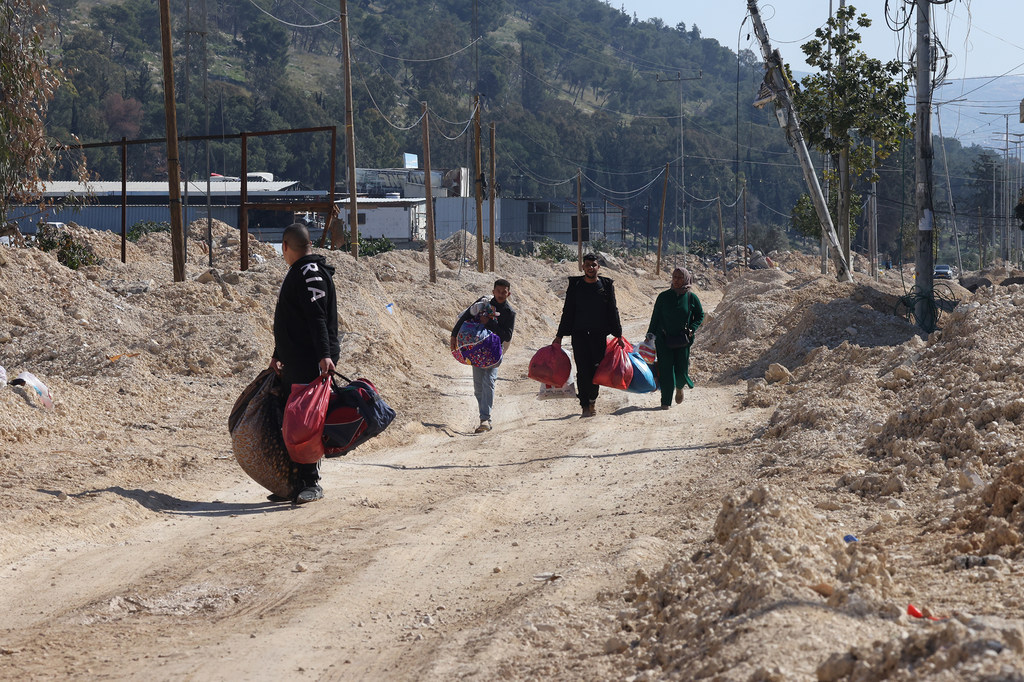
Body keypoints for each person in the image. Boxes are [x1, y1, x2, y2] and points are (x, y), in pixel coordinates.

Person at [268, 223, 340, 503]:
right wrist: (278, 353)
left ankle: (311, 482)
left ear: (286, 246)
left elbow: (316, 318)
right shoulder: (303, 271)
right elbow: (292, 320)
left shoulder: (310, 274)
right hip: (296, 359)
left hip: (311, 360)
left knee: (305, 423)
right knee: (293, 421)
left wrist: (324, 355)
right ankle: (296, 483)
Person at [553, 253, 623, 418]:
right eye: (587, 265)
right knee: (583, 370)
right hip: (580, 335)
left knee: (597, 369)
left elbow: (612, 310)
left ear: (598, 267)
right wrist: (560, 335)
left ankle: (592, 399)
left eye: (594, 265)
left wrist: (618, 334)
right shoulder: (576, 286)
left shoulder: (606, 286)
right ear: (582, 267)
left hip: (599, 335)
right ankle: (585, 404)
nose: (591, 268)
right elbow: (568, 311)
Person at [450, 279, 516, 433]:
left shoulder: (509, 313)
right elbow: (465, 318)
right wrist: (454, 337)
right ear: (493, 291)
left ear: (509, 293)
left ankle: (485, 419)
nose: (500, 294)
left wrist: (490, 324)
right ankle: (485, 417)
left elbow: (507, 335)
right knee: (478, 387)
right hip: (477, 349)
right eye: (498, 291)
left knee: (489, 381)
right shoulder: (482, 304)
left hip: (494, 351)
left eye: (504, 292)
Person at [646, 267, 704, 409]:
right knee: (666, 370)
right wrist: (650, 334)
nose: (677, 280)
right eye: (674, 277)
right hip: (663, 339)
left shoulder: (691, 297)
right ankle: (665, 402)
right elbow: (656, 317)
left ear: (686, 279)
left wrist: (692, 328)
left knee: (681, 370)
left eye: (680, 277)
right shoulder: (663, 296)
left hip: (683, 340)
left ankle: (679, 387)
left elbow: (700, 315)